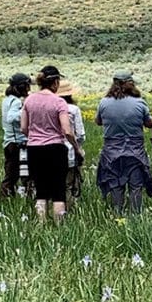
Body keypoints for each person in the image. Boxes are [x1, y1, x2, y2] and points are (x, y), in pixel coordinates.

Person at [95, 72, 152, 212]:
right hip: (135, 152)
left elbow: (98, 121)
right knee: (136, 186)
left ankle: (118, 214)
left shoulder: (103, 102)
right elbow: (149, 123)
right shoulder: (139, 103)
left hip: (111, 152)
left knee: (116, 185)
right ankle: (136, 216)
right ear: (129, 84)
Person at [22, 70, 79, 220]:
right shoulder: (59, 102)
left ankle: (41, 224)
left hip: (34, 148)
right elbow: (67, 130)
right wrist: (76, 147)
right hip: (55, 148)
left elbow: (23, 127)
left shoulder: (29, 100)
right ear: (55, 83)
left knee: (40, 190)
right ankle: (59, 225)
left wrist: (34, 138)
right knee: (58, 190)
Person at [0, 74, 33, 200]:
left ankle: (6, 199)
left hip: (9, 142)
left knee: (10, 174)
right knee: (26, 175)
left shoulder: (7, 100)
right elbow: (11, 117)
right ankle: (28, 199)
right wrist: (26, 112)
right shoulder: (17, 101)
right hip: (18, 143)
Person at [58, 80, 89, 210]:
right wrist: (78, 148)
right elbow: (80, 134)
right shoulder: (73, 109)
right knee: (69, 185)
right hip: (69, 151)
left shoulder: (49, 106)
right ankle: (67, 211)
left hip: (49, 150)